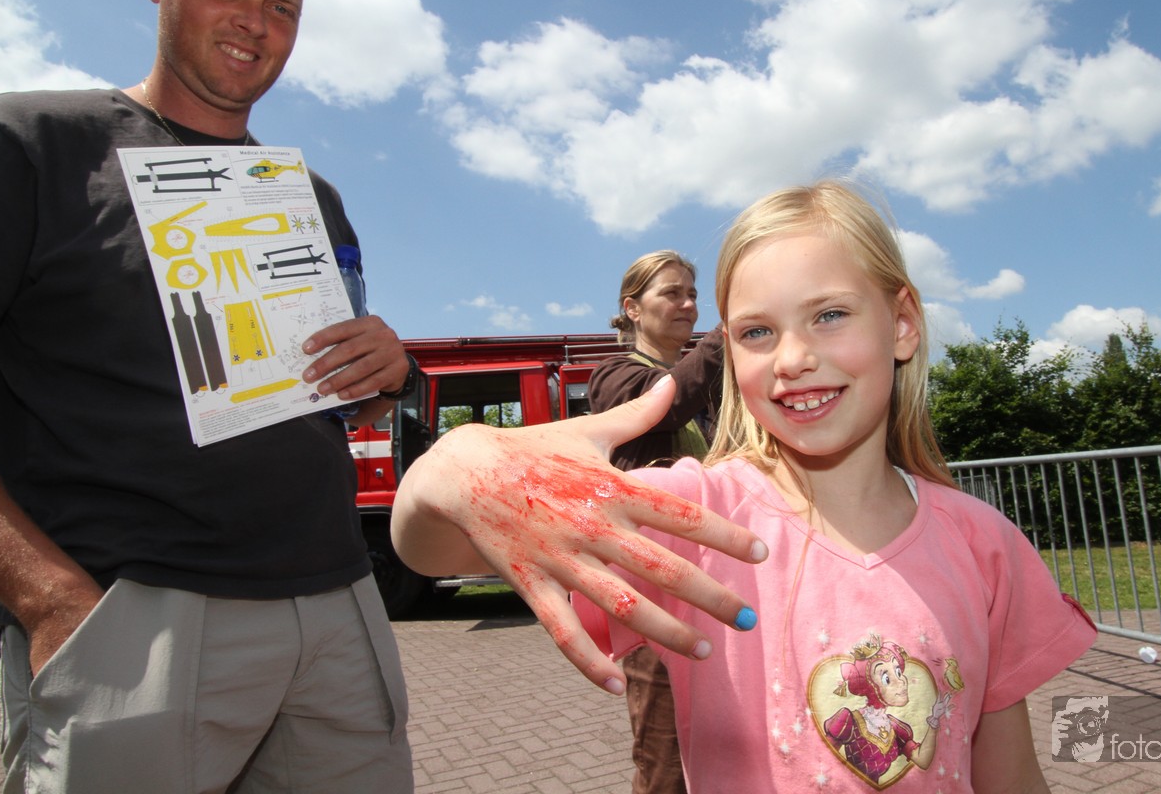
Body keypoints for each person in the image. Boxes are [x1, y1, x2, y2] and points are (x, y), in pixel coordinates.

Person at [394, 181, 1098, 791]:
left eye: (829, 315)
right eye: (757, 332)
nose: (793, 358)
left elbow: (1014, 776)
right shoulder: (694, 516)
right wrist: (458, 462)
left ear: (903, 324)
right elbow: (428, 550)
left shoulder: (985, 545)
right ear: (727, 351)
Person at [0, 0, 417, 790]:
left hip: (336, 608)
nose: (255, 22)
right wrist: (47, 598)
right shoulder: (29, 143)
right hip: (133, 615)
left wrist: (386, 371)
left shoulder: (310, 196)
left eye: (283, 6)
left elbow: (339, 401)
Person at [589, 251, 724, 794]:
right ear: (632, 308)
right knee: (665, 755)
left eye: (693, 294)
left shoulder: (706, 386)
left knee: (723, 738)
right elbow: (661, 405)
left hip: (714, 583)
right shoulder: (615, 376)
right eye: (672, 293)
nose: (688, 304)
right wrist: (730, 332)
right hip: (653, 589)